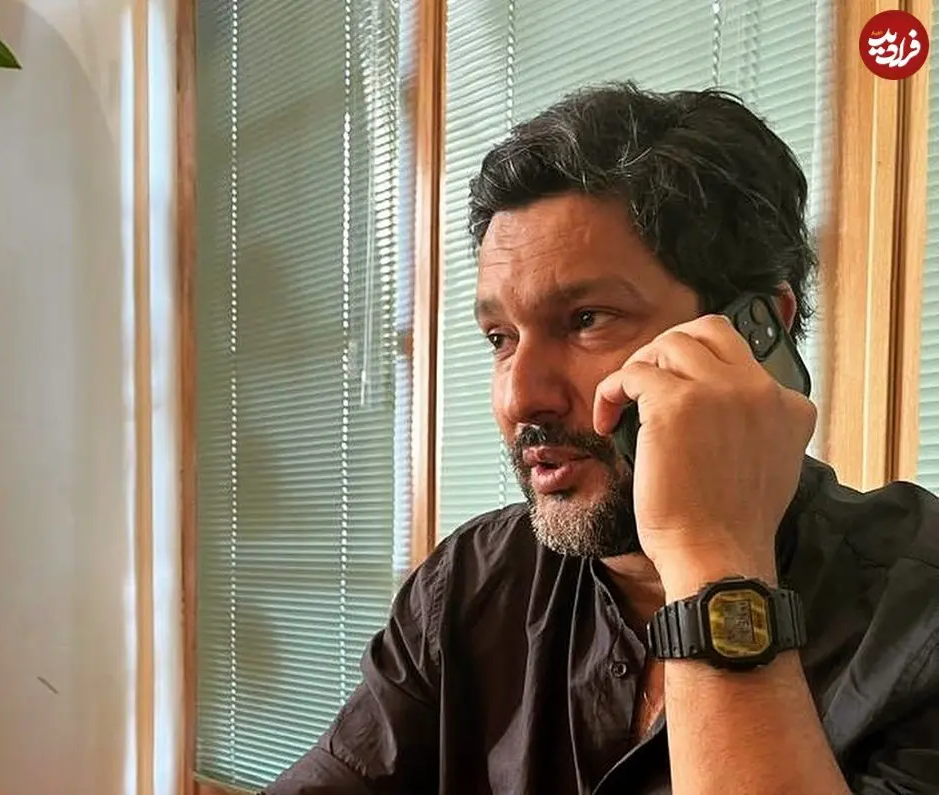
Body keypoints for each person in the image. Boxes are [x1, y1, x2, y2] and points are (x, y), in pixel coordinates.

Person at [262, 82, 939, 794]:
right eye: (500, 337)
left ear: (753, 334)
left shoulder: (917, 615)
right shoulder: (474, 582)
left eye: (587, 319)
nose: (520, 396)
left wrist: (716, 562)